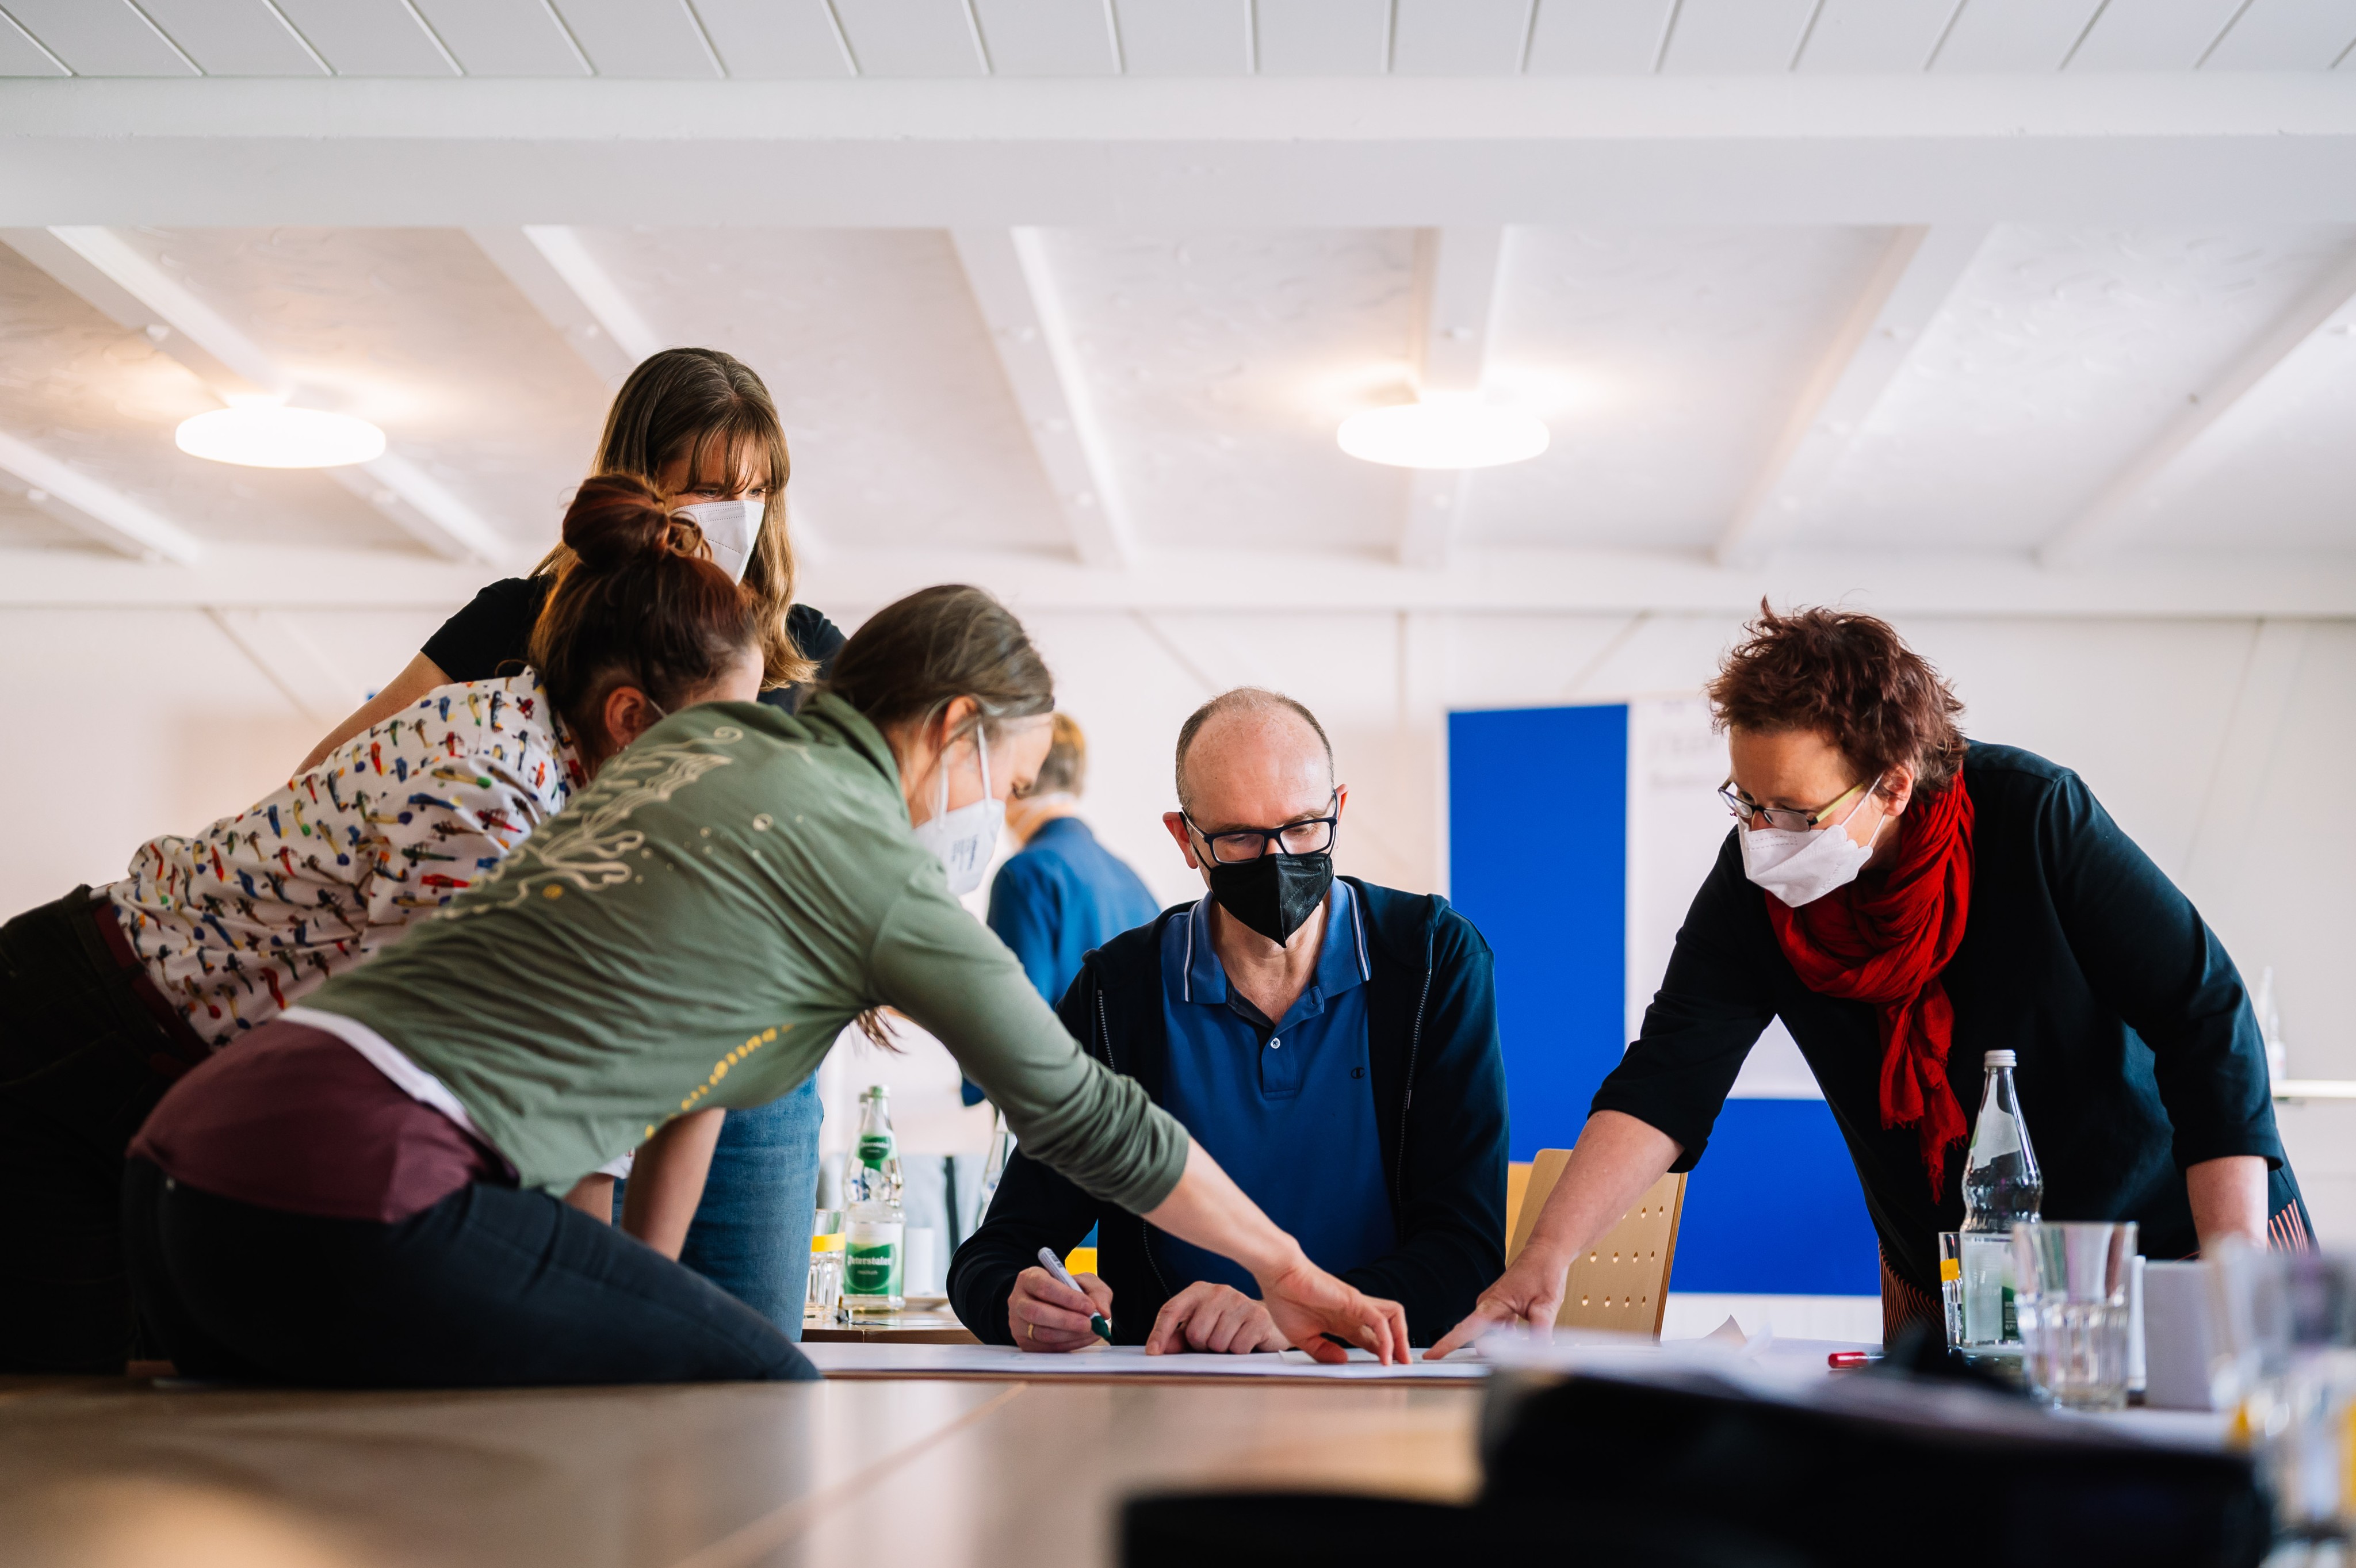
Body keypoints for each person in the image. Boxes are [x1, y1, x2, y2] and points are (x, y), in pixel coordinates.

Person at [121, 590, 1411, 1387]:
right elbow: (1086, 1115)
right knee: (756, 1382)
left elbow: (679, 1072)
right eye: (1004, 782)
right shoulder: (871, 865)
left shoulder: (707, 742)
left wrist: (637, 1291)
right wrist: (1288, 1265)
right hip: (354, 1179)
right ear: (954, 728)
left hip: (189, 1160)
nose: (995, 818)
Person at [0, 475, 763, 1372]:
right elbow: (442, 1072)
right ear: (631, 716)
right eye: (726, 735)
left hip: (164, 1061)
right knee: (58, 1414)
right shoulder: (486, 788)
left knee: (150, 1403)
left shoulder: (559, 777)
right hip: (66, 1035)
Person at [1433, 606, 2310, 1357]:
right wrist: (1543, 1259)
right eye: (1745, 801)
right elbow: (1667, 1079)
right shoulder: (1755, 889)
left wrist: (2230, 1269)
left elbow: (2207, 1015)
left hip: (2172, 1236)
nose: (1763, 834)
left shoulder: (2031, 817)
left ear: (1891, 785)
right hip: (1946, 1266)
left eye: (1792, 811)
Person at [296, 347, 840, 1338]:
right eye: (710, 488)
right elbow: (333, 772)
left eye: (759, 491)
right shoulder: (521, 622)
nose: (738, 513)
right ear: (641, 479)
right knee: (572, 1343)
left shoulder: (805, 652)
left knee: (745, 1357)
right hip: (568, 1036)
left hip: (750, 1064)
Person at [948, 689, 1506, 1354]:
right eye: (1240, 837)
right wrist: (1019, 1297)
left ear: (1339, 810)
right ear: (1185, 839)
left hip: (1377, 1381)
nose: (1278, 860)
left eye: (1303, 828)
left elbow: (1466, 1253)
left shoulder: (1431, 961)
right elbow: (996, 1251)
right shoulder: (1116, 993)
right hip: (1169, 1396)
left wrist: (1298, 1312)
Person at [958, 713, 1160, 1108]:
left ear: (1016, 776)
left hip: (1065, 1122)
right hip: (1139, 1118)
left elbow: (1013, 1030)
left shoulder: (1025, 875)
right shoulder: (1130, 878)